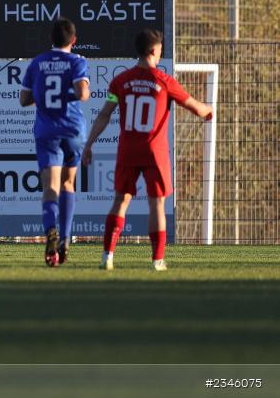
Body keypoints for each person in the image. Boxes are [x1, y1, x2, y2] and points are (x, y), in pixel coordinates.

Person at [83, 29, 213, 271]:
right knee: (157, 204)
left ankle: (107, 257)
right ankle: (157, 260)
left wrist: (89, 144)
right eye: (161, 48)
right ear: (154, 50)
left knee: (120, 201)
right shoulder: (164, 82)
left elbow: (104, 114)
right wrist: (209, 110)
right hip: (155, 152)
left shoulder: (120, 82)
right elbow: (195, 107)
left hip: (128, 151)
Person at [20, 18, 90, 267]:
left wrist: (45, 96)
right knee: (68, 183)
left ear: (51, 39)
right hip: (72, 130)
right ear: (73, 40)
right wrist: (66, 92)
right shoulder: (77, 61)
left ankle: (51, 231)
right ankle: (65, 239)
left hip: (47, 131)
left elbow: (24, 99)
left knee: (50, 187)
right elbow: (82, 94)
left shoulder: (38, 63)